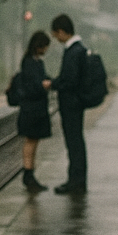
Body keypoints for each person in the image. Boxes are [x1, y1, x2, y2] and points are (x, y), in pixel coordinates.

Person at [49, 13, 88, 195]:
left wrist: (53, 84)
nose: (56, 39)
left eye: (56, 34)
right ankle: (77, 180)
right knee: (75, 142)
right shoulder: (78, 49)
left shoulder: (73, 51)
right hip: (75, 104)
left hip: (71, 104)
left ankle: (76, 181)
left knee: (74, 143)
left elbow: (70, 80)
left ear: (62, 31)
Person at [17, 30, 52, 191]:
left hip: (36, 108)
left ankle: (30, 173)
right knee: (31, 140)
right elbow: (31, 85)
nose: (46, 49)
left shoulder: (36, 61)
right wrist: (42, 85)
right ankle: (28, 173)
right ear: (39, 46)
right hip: (31, 109)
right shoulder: (29, 62)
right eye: (44, 46)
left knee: (34, 140)